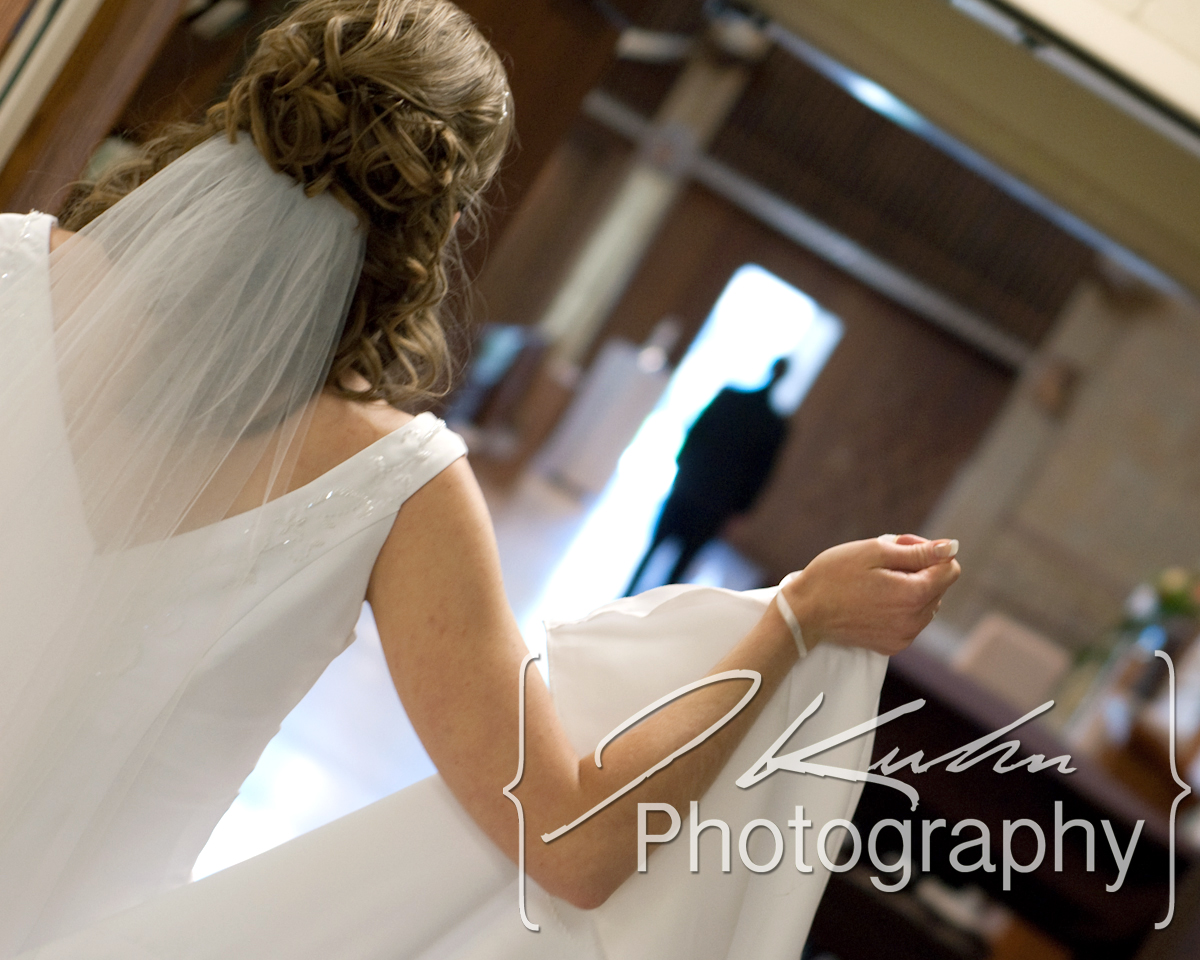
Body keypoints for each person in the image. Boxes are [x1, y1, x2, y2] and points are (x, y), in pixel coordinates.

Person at [0, 1, 961, 957]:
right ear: (439, 224)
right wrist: (795, 619)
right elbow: (574, 845)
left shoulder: (12, 273)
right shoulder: (395, 484)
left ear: (244, 108)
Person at [625, 358, 791, 595]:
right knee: (680, 563)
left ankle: (627, 596)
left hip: (691, 488)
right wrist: (740, 509)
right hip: (715, 503)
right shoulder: (773, 425)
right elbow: (759, 474)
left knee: (655, 549)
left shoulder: (732, 399)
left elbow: (696, 433)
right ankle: (654, 606)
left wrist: (684, 469)